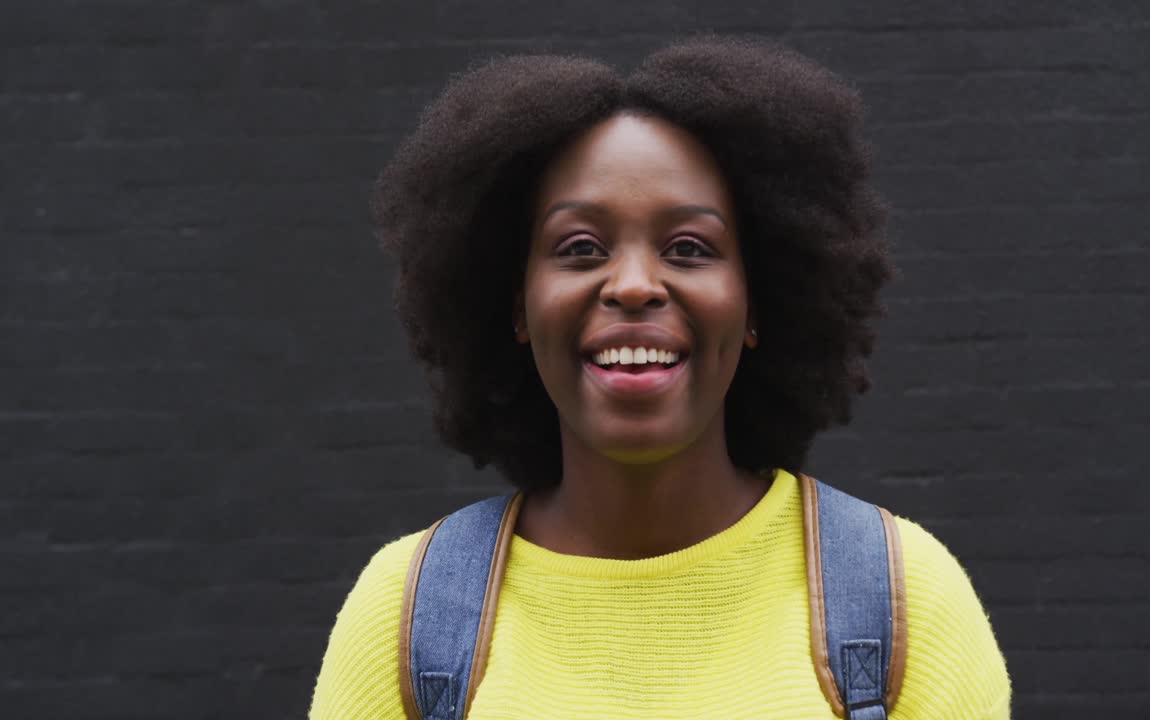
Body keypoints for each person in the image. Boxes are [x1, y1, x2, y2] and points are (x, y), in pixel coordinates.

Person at [309, 36, 1010, 719]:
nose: (635, 285)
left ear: (757, 301)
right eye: (580, 247)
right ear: (517, 304)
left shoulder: (906, 607)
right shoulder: (405, 622)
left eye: (689, 248)